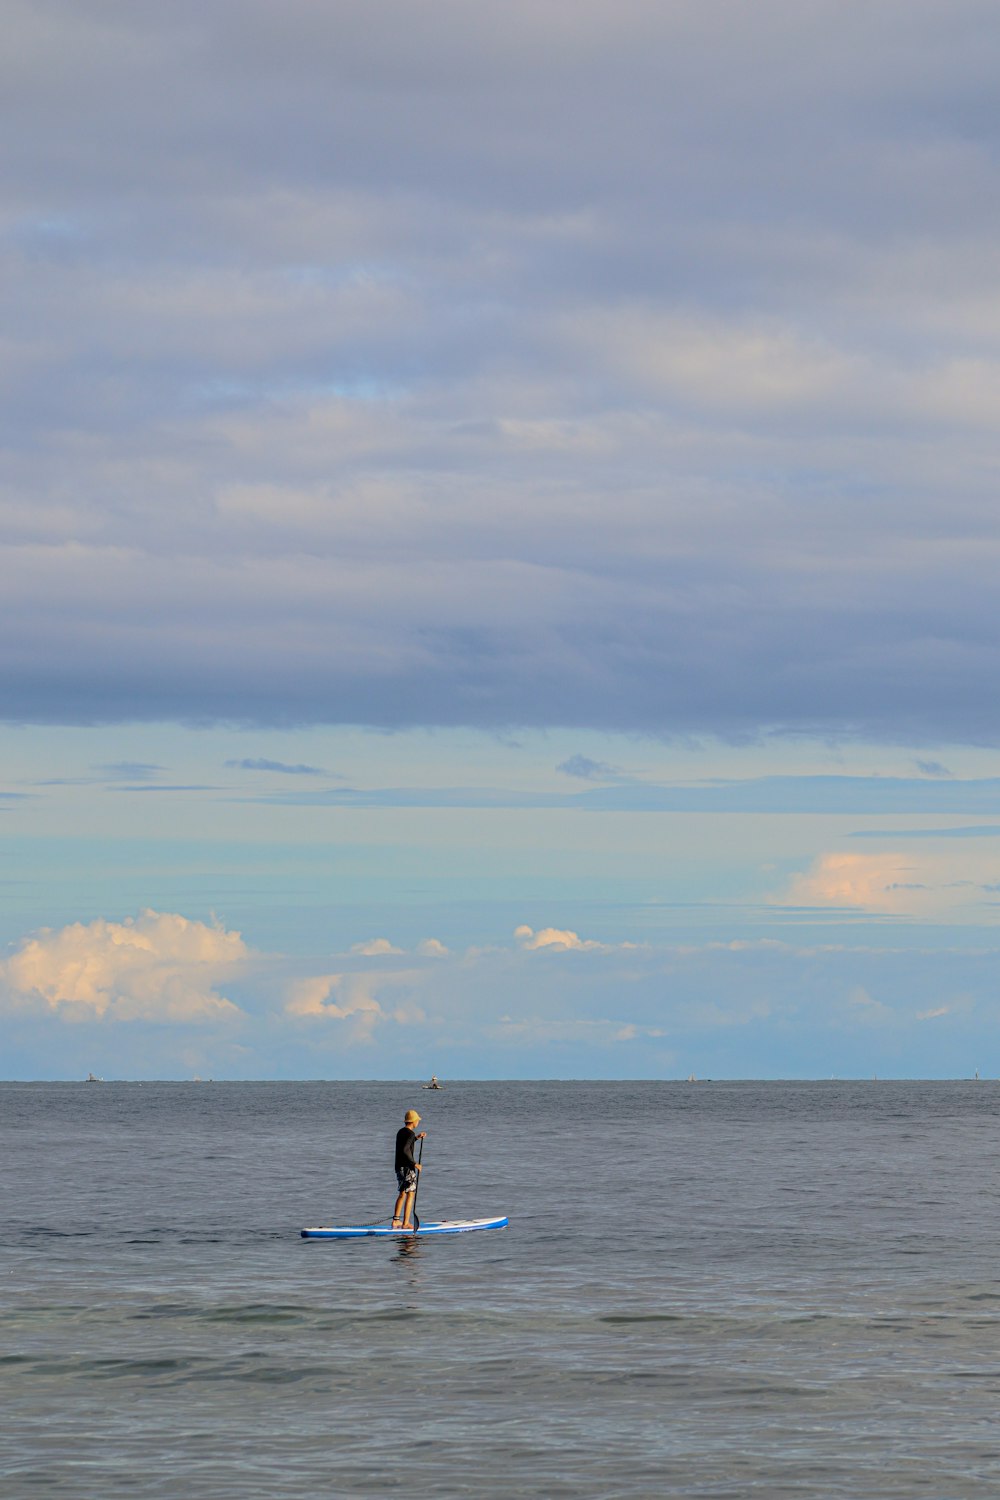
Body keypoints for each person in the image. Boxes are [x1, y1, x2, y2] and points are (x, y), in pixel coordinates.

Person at [392, 1108, 426, 1229]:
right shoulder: (410, 1134)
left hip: (399, 1167)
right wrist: (414, 1164)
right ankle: (406, 1223)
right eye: (417, 1120)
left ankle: (396, 1220)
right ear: (413, 1121)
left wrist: (416, 1138)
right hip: (407, 1168)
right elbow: (405, 1150)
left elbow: (404, 1146)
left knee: (402, 1193)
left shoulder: (401, 1132)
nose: (418, 1122)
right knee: (411, 1193)